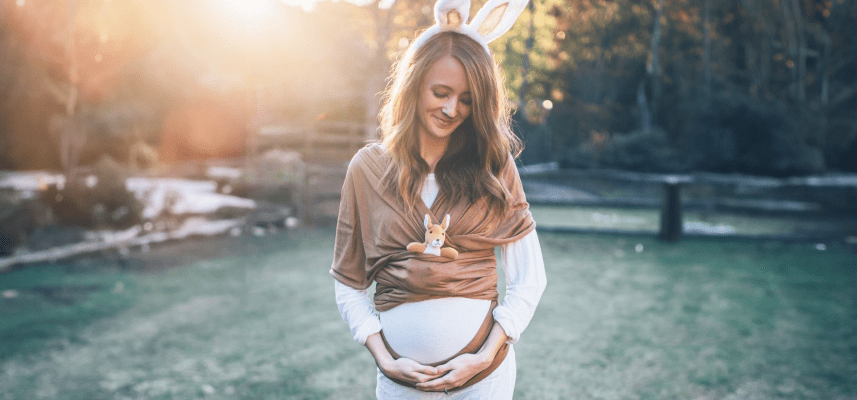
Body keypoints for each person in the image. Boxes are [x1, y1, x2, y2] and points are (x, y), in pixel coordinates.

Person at [330, 0, 545, 398]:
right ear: (413, 85)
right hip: (401, 382)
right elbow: (349, 282)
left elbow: (529, 279)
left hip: (484, 379)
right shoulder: (367, 169)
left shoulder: (493, 167)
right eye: (441, 92)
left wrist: (483, 357)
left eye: (467, 100)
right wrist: (384, 358)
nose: (451, 109)